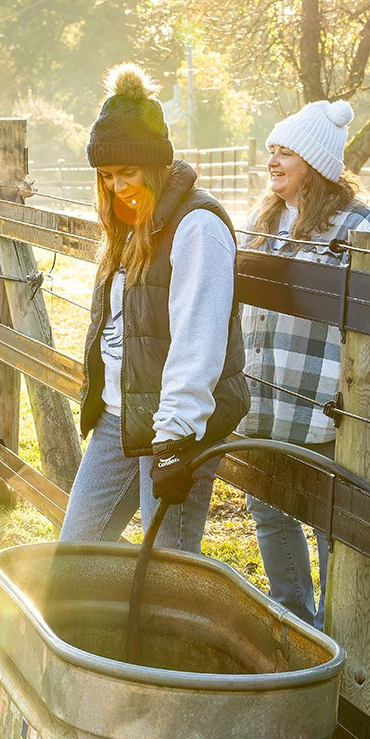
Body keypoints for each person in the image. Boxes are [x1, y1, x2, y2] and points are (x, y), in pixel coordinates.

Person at [58, 63, 249, 554]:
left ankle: (163, 632)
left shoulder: (197, 226)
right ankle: (99, 632)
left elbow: (198, 339)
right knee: (77, 553)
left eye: (128, 172)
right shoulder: (130, 223)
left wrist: (175, 438)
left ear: (156, 165)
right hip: (119, 419)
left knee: (165, 569)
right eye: (106, 176)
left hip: (173, 429)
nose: (117, 186)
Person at [237, 99, 370, 628]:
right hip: (263, 392)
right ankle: (293, 622)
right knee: (269, 510)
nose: (273, 162)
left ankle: (337, 633)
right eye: (271, 152)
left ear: (318, 164)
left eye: (286, 153)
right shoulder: (263, 217)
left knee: (332, 521)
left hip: (323, 398)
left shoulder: (362, 227)